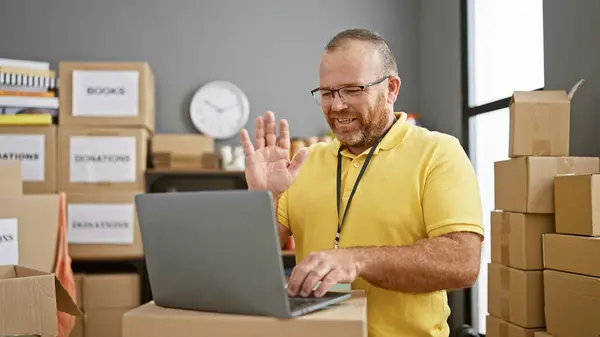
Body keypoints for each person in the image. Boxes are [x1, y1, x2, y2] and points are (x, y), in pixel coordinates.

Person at [239, 28, 484, 337]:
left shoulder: (438, 152)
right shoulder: (303, 162)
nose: (337, 105)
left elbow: (463, 263)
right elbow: (248, 266)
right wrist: (262, 199)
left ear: (392, 89)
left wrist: (357, 259)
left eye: (353, 90)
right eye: (327, 93)